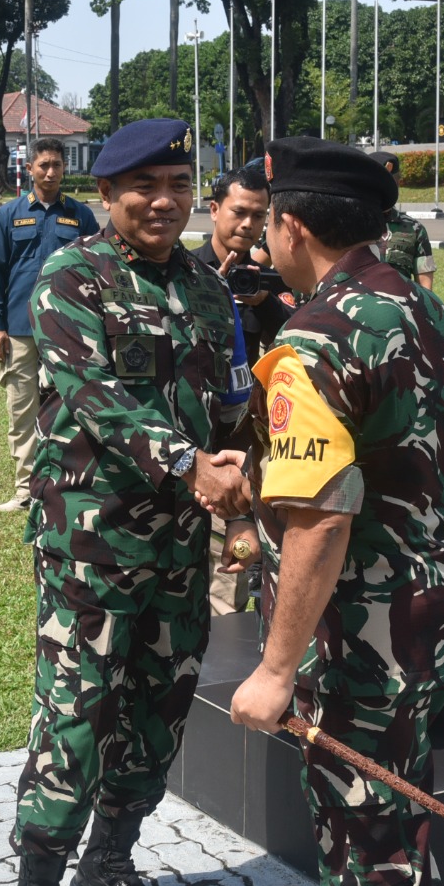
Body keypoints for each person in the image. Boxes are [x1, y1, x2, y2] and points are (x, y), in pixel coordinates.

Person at [227, 137, 444, 886]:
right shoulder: (419, 303)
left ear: (292, 229)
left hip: (365, 636)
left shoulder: (312, 341)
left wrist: (277, 671)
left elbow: (320, 519)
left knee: (363, 841)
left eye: (269, 223)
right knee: (394, 809)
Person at [11, 118, 250, 886]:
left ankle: (109, 861)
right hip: (94, 545)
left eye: (178, 186)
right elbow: (97, 400)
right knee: (79, 710)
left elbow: (225, 407)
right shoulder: (71, 277)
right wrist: (189, 464)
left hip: (181, 547)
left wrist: (239, 493)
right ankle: (39, 878)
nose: (163, 201)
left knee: (161, 704)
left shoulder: (206, 288)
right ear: (108, 193)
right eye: (143, 187)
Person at [193, 163, 292, 614]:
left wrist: (264, 300)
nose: (248, 224)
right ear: (214, 210)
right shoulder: (187, 271)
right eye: (238, 212)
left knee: (233, 559)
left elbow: (297, 340)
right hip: (191, 433)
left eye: (259, 215)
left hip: (243, 437)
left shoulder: (270, 276)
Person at [0, 138, 100, 512]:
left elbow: (97, 269)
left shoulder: (81, 216)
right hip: (18, 327)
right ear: (29, 168)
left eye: (57, 165)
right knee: (22, 407)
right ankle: (25, 491)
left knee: (73, 403)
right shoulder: (9, 215)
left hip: (68, 325)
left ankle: (69, 483)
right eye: (44, 165)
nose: (51, 172)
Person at [371, 151, 436, 288]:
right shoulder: (350, 225)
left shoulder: (415, 229)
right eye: (383, 182)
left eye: (394, 182)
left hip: (400, 307)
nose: (389, 188)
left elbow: (426, 288)